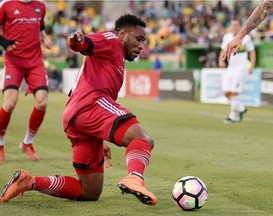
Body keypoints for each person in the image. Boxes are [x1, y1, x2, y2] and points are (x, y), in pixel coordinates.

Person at [0, 14, 158, 206]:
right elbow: (84, 45)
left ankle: (29, 181)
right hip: (90, 104)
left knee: (89, 190)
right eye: (139, 39)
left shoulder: (114, 56)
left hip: (76, 116)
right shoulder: (113, 40)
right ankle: (134, 177)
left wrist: (97, 134)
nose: (142, 46)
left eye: (144, 41)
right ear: (123, 33)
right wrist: (78, 42)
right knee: (142, 139)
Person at [0, 0, 52, 162]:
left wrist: (45, 39)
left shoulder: (40, 6)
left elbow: (40, 29)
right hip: (14, 61)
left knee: (42, 102)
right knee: (9, 103)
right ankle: (0, 143)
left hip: (35, 62)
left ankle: (27, 142)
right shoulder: (5, 5)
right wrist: (3, 41)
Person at [218, 18, 256, 123]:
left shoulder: (246, 38)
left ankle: (233, 116)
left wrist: (252, 65)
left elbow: (252, 52)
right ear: (230, 26)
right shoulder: (227, 37)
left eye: (236, 25)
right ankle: (241, 108)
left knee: (234, 93)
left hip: (241, 68)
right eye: (232, 25)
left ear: (240, 26)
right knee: (226, 93)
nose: (234, 27)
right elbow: (223, 50)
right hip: (231, 68)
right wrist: (221, 61)